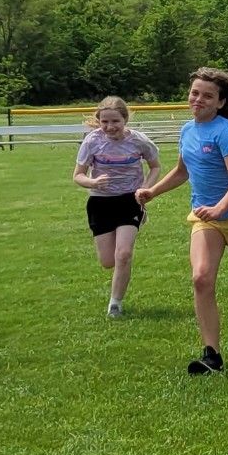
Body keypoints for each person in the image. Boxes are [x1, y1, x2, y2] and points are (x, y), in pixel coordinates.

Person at [136, 68, 228, 374]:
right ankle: (212, 355)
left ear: (220, 102)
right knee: (201, 278)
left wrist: (221, 208)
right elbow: (183, 171)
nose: (198, 99)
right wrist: (153, 191)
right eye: (195, 92)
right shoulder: (187, 130)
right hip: (205, 217)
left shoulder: (226, 132)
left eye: (207, 95)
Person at [73, 96, 161, 317]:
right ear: (99, 121)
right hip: (100, 202)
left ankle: (115, 304)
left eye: (115, 121)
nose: (110, 127)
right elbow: (78, 176)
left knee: (123, 254)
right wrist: (92, 182)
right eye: (105, 122)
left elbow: (155, 166)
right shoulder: (92, 141)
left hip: (129, 200)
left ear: (125, 119)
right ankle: (117, 288)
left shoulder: (139, 141)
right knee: (108, 261)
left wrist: (145, 189)